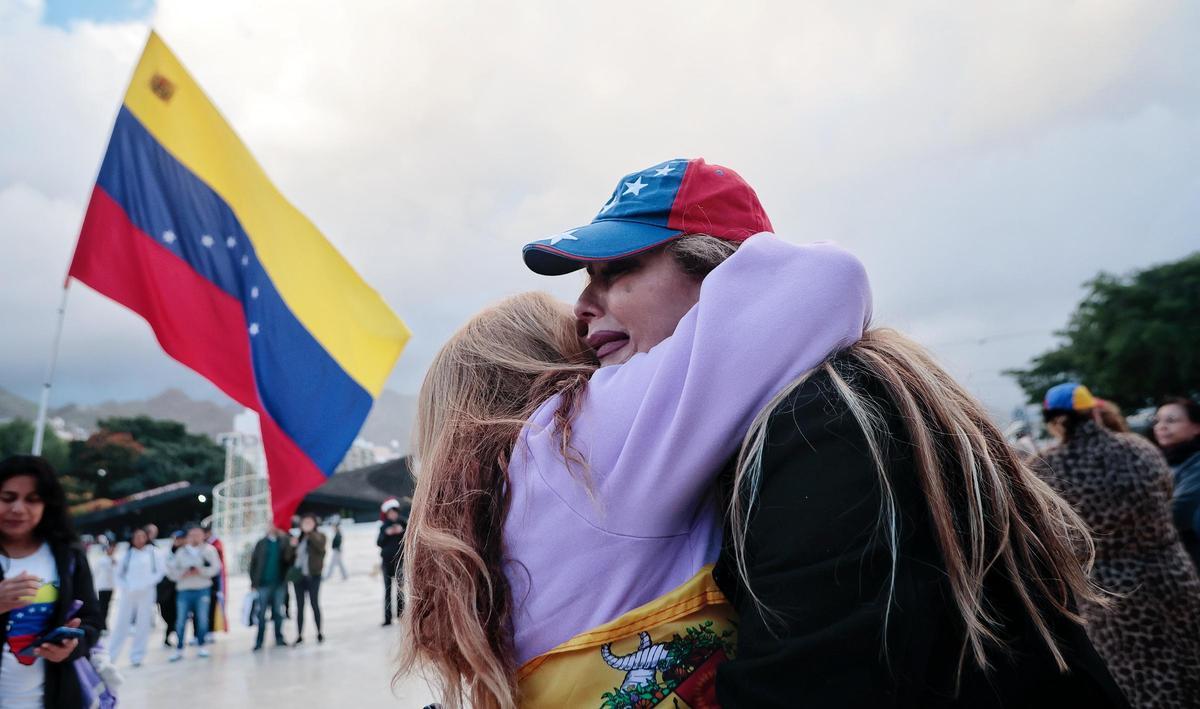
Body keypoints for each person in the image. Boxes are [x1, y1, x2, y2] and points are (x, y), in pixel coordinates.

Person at [399, 159, 874, 708]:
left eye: (616, 270)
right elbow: (828, 279)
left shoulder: (498, 502)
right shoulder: (577, 443)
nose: (582, 308)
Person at [1041, 383, 1200, 707]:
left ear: (1054, 422)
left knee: (1139, 678)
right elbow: (1166, 496)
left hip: (1110, 591)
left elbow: (1052, 533)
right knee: (1189, 661)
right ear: (1093, 413)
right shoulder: (1140, 448)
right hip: (1171, 573)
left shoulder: (1047, 467)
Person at [0, 455, 104, 709]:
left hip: (55, 697)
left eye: (32, 499)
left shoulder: (67, 555)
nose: (18, 508)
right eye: (7, 498)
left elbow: (92, 620)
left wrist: (73, 645)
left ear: (48, 504)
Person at [106, 527, 164, 667]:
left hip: (146, 592)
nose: (139, 539)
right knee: (121, 624)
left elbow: (160, 572)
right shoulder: (127, 555)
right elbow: (118, 575)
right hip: (128, 593)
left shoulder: (153, 553)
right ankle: (111, 656)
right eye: (136, 537)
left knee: (143, 624)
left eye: (142, 536)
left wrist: (146, 583)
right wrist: (126, 586)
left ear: (146, 538)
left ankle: (137, 656)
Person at [1154, 397, 1200, 569]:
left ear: (1196, 427)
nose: (1161, 426)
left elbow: (1179, 511)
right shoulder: (1158, 459)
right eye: (1157, 421)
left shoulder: (1196, 463)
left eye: (1171, 420)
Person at [165, 523, 220, 662]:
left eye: (198, 534)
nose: (195, 538)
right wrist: (182, 574)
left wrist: (201, 571)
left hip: (202, 589)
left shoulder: (209, 550)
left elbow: (216, 568)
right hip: (184, 590)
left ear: (203, 535)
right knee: (181, 621)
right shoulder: (181, 552)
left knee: (202, 619)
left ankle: (201, 645)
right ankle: (179, 648)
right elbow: (171, 571)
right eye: (192, 535)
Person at [248, 525, 293, 650]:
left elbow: (289, 559)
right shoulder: (261, 543)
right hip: (263, 584)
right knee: (261, 613)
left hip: (279, 584)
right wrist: (253, 582)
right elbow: (253, 563)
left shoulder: (283, 542)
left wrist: (288, 541)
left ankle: (279, 638)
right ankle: (259, 641)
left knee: (278, 612)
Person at [289, 513, 326, 644]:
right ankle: (299, 634)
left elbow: (320, 547)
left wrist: (310, 533)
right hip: (299, 577)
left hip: (313, 576)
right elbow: (289, 557)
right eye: (305, 522)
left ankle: (319, 632)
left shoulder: (320, 536)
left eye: (310, 522)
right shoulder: (298, 539)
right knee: (299, 606)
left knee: (314, 603)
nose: (307, 525)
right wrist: (292, 546)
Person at [377, 499, 405, 626]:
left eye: (394, 512)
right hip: (387, 562)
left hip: (400, 561)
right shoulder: (384, 526)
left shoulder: (403, 523)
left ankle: (401, 615)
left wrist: (401, 531)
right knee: (387, 590)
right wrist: (387, 533)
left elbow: (409, 539)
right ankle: (387, 618)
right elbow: (379, 543)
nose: (393, 515)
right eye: (390, 513)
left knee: (400, 589)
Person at [157, 531, 184, 647]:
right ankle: (170, 635)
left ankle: (177, 637)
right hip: (166, 588)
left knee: (178, 614)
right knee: (166, 613)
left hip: (180, 587)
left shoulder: (186, 552)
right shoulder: (165, 552)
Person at [90, 535, 116, 632]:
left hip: (110, 587)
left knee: (107, 607)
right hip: (102, 587)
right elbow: (94, 573)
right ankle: (101, 626)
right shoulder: (102, 560)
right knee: (102, 607)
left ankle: (104, 625)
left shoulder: (114, 560)